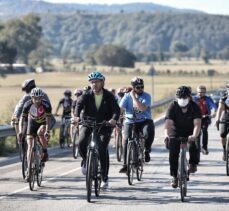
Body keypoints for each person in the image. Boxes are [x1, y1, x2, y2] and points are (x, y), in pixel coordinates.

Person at [74, 71, 120, 189]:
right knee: (81, 142)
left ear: (102, 82)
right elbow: (79, 105)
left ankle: (104, 177)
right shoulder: (86, 94)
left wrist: (114, 119)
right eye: (92, 82)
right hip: (88, 123)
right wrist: (77, 116)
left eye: (96, 82)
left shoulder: (109, 96)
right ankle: (85, 160)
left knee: (102, 148)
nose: (94, 84)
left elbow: (116, 110)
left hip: (104, 125)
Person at [165, 86, 201, 188]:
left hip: (190, 131)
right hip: (175, 132)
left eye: (185, 97)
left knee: (194, 143)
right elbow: (168, 123)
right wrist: (167, 135)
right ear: (177, 97)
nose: (182, 99)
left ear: (189, 97)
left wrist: (194, 135)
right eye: (180, 97)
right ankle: (174, 176)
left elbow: (197, 124)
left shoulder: (195, 107)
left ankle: (193, 163)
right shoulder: (173, 106)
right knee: (173, 154)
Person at [119, 76, 155, 173]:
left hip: (144, 120)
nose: (140, 89)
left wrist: (134, 98)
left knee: (148, 132)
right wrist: (117, 119)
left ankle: (146, 150)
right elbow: (120, 109)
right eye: (138, 87)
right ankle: (125, 165)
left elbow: (142, 108)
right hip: (130, 121)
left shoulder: (146, 96)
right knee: (126, 140)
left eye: (142, 87)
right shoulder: (126, 97)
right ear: (133, 87)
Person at [19, 87, 52, 181]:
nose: (37, 100)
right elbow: (22, 118)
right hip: (32, 123)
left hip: (43, 122)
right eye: (34, 98)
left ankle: (44, 151)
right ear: (31, 98)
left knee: (40, 133)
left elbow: (49, 119)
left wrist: (47, 130)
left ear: (42, 98)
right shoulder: (27, 105)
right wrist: (21, 131)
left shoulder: (46, 105)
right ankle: (29, 171)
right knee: (29, 146)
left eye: (39, 98)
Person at [193, 85, 216, 155]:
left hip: (205, 117)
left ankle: (204, 147)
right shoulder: (193, 99)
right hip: (196, 118)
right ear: (197, 92)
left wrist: (214, 112)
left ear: (205, 92)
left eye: (202, 92)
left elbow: (214, 106)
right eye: (199, 92)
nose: (200, 93)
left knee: (204, 130)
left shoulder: (208, 99)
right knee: (197, 132)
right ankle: (197, 148)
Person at [215, 82, 229, 161]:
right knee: (222, 134)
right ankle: (224, 150)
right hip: (226, 116)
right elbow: (220, 109)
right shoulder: (224, 97)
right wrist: (217, 119)